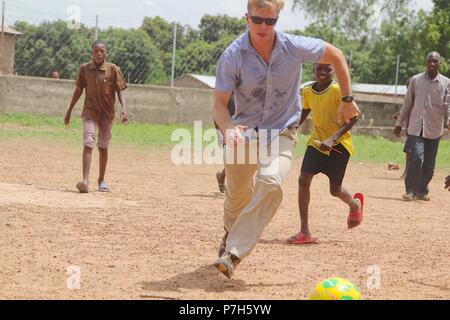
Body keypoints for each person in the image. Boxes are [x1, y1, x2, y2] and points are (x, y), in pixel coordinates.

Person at [213, 0, 360, 279]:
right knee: (237, 194)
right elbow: (219, 104)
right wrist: (228, 127)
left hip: (282, 129)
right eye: (258, 20)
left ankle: (233, 252)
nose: (264, 27)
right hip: (244, 131)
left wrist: (347, 99)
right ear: (247, 18)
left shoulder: (292, 46)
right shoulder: (233, 55)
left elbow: (336, 56)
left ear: (277, 20)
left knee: (270, 182)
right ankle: (230, 234)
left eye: (271, 21)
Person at [287, 63, 363, 245]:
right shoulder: (307, 91)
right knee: (303, 180)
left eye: (327, 69)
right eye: (319, 69)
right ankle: (304, 231)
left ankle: (354, 205)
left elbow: (354, 118)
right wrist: (290, 127)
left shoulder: (338, 90)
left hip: (339, 144)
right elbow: (304, 112)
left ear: (333, 72)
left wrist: (332, 139)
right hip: (316, 142)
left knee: (335, 190)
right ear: (314, 70)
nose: (322, 73)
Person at [64, 40, 128, 193]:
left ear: (106, 53)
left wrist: (123, 108)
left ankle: (101, 180)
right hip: (90, 112)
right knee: (88, 142)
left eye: (102, 51)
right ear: (91, 52)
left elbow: (120, 90)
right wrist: (69, 110)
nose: (99, 54)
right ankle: (85, 180)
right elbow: (79, 90)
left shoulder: (113, 70)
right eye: (96, 51)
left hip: (107, 114)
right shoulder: (84, 69)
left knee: (103, 147)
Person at [394, 52, 450, 201]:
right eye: (429, 61)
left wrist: (449, 119)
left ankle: (422, 190)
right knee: (416, 157)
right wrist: (399, 123)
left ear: (440, 63)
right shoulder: (415, 80)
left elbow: (447, 105)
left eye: (435, 62)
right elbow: (407, 103)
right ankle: (411, 190)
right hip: (415, 127)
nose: (432, 64)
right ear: (426, 62)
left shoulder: (446, 83)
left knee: (430, 164)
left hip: (434, 129)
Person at [214, 94, 236, 193]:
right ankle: (223, 176)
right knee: (236, 158)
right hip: (230, 130)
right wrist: (222, 133)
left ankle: (222, 175)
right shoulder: (229, 96)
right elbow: (218, 113)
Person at [393, 77, 412, 179]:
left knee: (411, 152)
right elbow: (405, 109)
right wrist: (399, 116)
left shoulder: (419, 96)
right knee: (409, 151)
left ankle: (408, 172)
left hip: (418, 127)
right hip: (410, 128)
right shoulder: (409, 97)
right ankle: (407, 171)